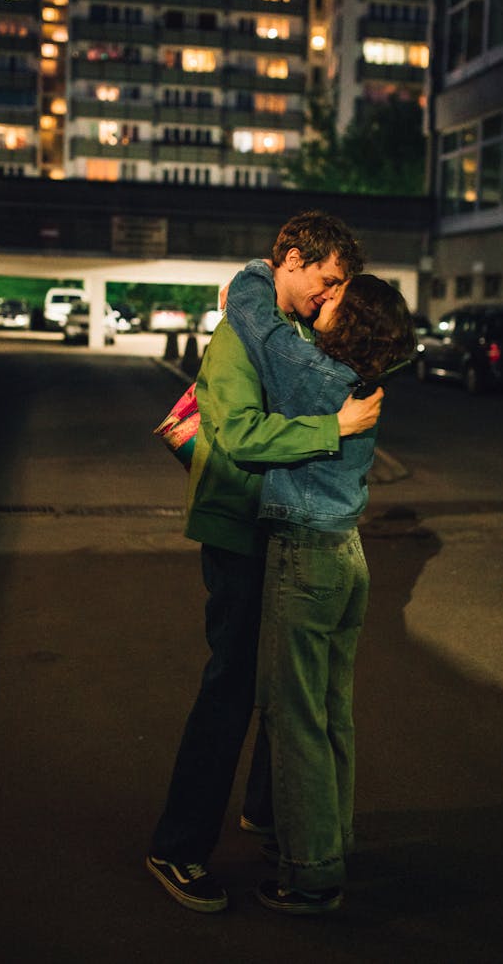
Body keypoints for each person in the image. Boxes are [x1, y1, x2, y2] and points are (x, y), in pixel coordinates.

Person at [146, 212, 383, 913]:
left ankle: (267, 811)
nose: (332, 294)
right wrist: (331, 427)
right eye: (327, 278)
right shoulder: (237, 341)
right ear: (289, 260)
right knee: (231, 687)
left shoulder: (289, 335)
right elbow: (244, 436)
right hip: (240, 531)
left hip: (277, 528)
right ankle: (178, 845)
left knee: (276, 683)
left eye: (342, 284)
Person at [224, 258, 415, 915]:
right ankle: (331, 842)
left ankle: (309, 874)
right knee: (331, 712)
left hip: (306, 553)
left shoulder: (312, 375)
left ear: (350, 320)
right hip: (347, 553)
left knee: (294, 717)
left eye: (338, 296)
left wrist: (265, 267)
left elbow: (252, 314)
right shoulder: (363, 377)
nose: (325, 299)